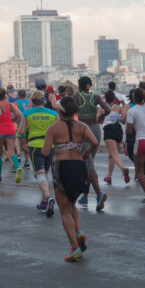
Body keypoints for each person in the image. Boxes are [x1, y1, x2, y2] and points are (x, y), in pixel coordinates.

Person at [41, 96, 98, 262]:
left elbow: (45, 152)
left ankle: (75, 248)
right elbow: (94, 141)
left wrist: (55, 147)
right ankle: (78, 231)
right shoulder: (82, 126)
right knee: (72, 203)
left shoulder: (53, 128)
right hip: (79, 165)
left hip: (62, 166)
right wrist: (86, 153)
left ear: (59, 111)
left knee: (64, 209)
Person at [74, 76, 109, 209]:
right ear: (90, 85)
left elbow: (70, 110)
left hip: (84, 130)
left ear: (79, 85)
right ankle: (85, 197)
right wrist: (100, 118)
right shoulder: (96, 97)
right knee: (88, 163)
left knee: (88, 164)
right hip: (96, 129)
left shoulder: (77, 97)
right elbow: (108, 110)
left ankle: (99, 194)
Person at [21, 90, 58, 215]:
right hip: (50, 145)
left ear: (32, 101)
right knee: (45, 173)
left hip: (35, 145)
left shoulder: (27, 113)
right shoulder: (53, 113)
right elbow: (58, 130)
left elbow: (21, 131)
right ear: (44, 101)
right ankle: (43, 203)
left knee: (40, 174)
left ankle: (47, 198)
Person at [0, 87, 24, 185]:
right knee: (12, 151)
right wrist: (12, 120)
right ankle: (17, 168)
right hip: (10, 129)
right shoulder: (10, 104)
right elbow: (20, 115)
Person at [98, 87, 130, 185]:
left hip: (109, 132)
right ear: (114, 98)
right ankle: (108, 177)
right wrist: (116, 118)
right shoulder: (119, 107)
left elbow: (98, 120)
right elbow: (124, 119)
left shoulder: (102, 108)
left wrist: (104, 117)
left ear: (105, 99)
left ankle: (123, 169)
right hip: (118, 131)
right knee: (111, 155)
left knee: (114, 154)